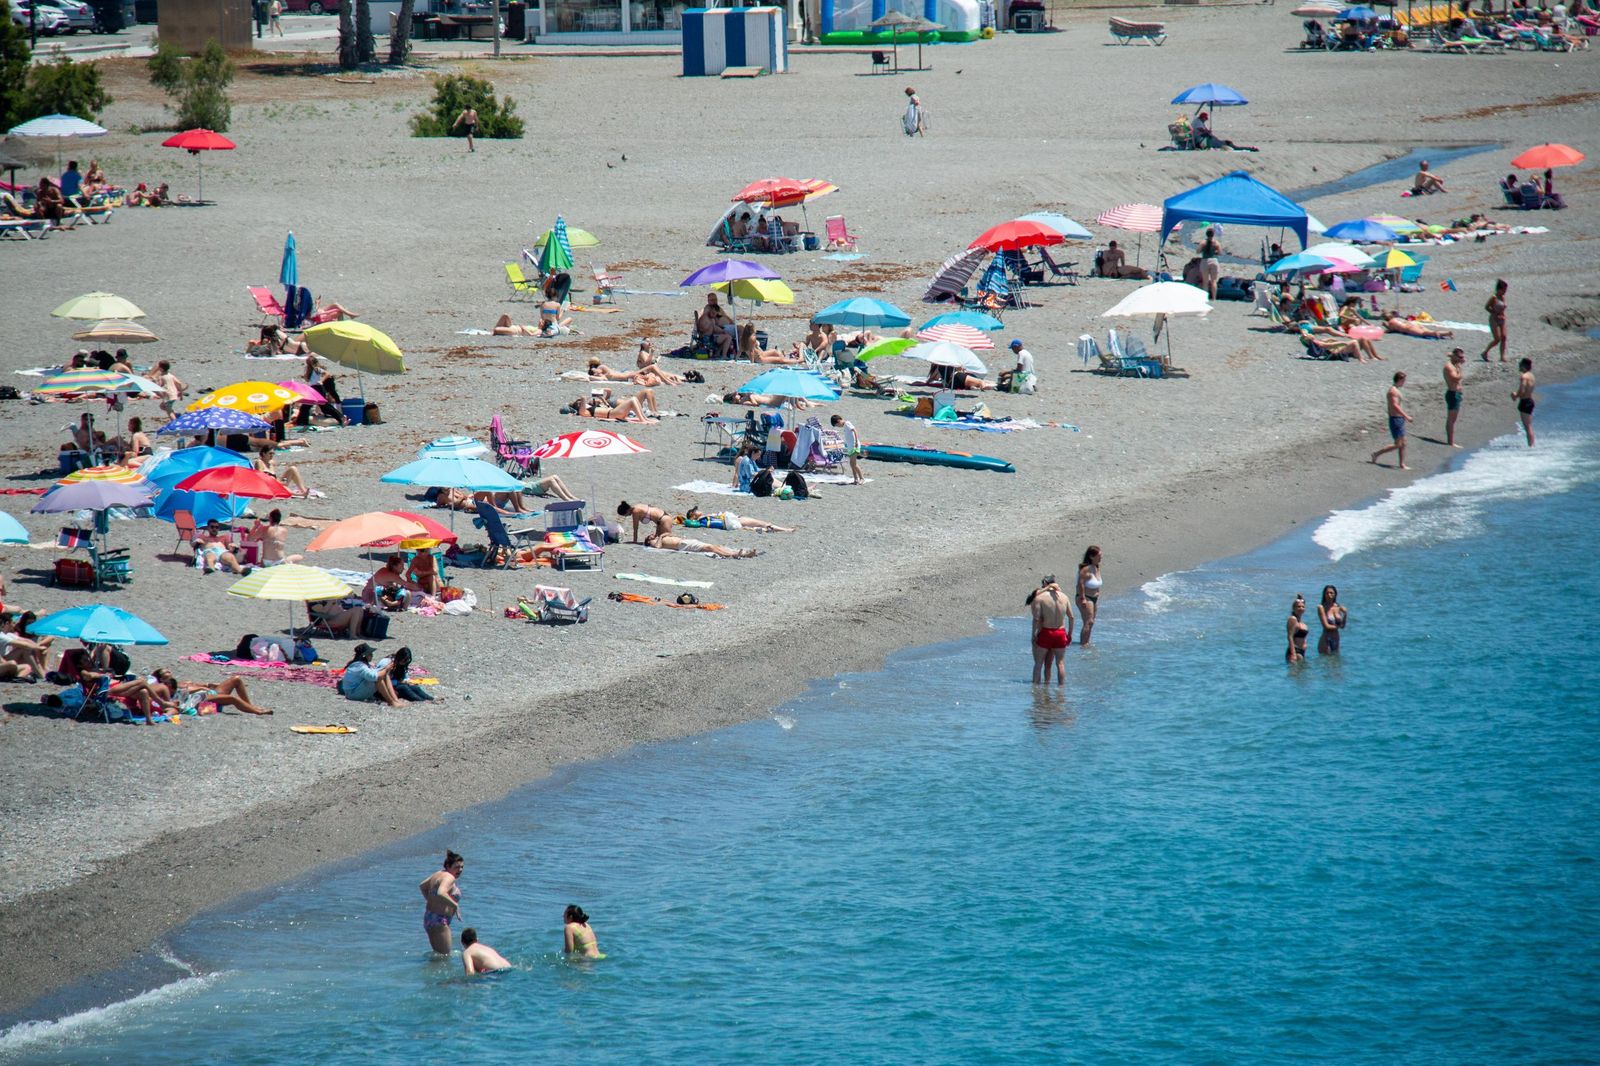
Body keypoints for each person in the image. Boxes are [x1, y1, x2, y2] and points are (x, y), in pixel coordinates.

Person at [150, 669, 272, 715]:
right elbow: (183, 695)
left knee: (236, 680)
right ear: (161, 679)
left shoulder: (176, 683)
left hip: (210, 694)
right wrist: (200, 688)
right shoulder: (163, 688)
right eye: (166, 674)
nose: (170, 675)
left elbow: (192, 685)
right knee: (232, 699)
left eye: (169, 673)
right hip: (200, 703)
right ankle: (257, 712)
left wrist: (208, 685)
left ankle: (250, 706)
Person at [1029, 575, 1072, 685]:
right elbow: (1071, 617)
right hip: (1060, 632)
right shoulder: (1064, 597)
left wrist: (1033, 634)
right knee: (1060, 663)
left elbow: (1036, 618)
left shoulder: (1040, 597)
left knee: (1038, 663)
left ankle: (1036, 691)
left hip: (1046, 632)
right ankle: (1060, 691)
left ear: (1044, 583)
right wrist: (1070, 634)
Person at [419, 851, 465, 953]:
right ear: (448, 866)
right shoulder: (449, 877)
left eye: (462, 867)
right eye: (457, 867)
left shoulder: (438, 874)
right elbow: (441, 892)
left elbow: (422, 886)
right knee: (445, 957)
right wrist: (455, 905)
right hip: (440, 921)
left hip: (429, 918)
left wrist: (431, 900)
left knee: (438, 956)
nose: (460, 870)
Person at [1370, 372, 1412, 470]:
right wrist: (1406, 416)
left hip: (1399, 419)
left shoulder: (1396, 390)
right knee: (1398, 444)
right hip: (1395, 419)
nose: (1404, 382)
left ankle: (1402, 464)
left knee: (1403, 442)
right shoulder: (1393, 391)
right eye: (1404, 380)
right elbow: (1395, 406)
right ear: (1399, 380)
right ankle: (1376, 454)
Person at [680, 506, 794, 533]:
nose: (699, 510)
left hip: (732, 522)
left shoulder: (703, 520)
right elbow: (688, 522)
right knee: (762, 523)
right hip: (733, 520)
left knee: (757, 527)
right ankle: (785, 530)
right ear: (693, 515)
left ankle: (781, 529)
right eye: (696, 511)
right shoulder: (702, 520)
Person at [642, 531, 758, 558]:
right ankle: (733, 555)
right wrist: (661, 536)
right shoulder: (653, 541)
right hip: (682, 545)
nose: (652, 534)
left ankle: (736, 553)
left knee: (714, 546)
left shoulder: (658, 538)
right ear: (648, 540)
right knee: (710, 548)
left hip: (685, 542)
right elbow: (657, 547)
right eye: (650, 535)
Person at [1075, 546, 1103, 647]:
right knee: (1089, 621)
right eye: (1099, 556)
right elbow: (1080, 584)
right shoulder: (1085, 569)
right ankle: (1083, 644)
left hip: (1094, 598)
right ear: (1091, 556)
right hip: (1085, 597)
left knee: (1091, 622)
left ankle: (1086, 642)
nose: (1101, 558)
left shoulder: (1096, 568)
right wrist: (1083, 598)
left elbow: (1097, 584)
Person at [1479, 279, 1509, 362]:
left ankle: (1502, 356)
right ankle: (1485, 352)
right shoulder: (1494, 297)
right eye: (1504, 290)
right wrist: (1494, 313)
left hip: (1502, 318)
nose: (1505, 292)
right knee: (1497, 339)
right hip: (1494, 319)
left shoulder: (1502, 297)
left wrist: (1502, 314)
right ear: (1499, 289)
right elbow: (1487, 307)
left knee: (1504, 337)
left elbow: (1503, 307)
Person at [829, 414, 863, 485]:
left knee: (854, 464)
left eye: (837, 425)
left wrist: (856, 441)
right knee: (851, 464)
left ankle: (861, 478)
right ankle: (855, 479)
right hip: (850, 447)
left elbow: (855, 431)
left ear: (838, 421)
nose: (838, 426)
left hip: (855, 446)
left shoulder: (847, 423)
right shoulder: (845, 426)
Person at [1443, 348, 1466, 447]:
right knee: (1451, 419)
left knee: (1453, 419)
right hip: (1452, 394)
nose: (1462, 359)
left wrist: (1458, 363)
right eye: (1460, 357)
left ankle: (1450, 440)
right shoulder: (1449, 367)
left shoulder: (1455, 364)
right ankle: (1450, 442)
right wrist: (1461, 370)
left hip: (1456, 393)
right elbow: (1455, 378)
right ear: (1455, 356)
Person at [1316, 585, 1347, 655]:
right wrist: (1338, 627)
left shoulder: (1338, 607)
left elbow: (1343, 626)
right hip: (1326, 639)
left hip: (1336, 639)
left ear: (1335, 594)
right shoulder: (1321, 607)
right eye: (1327, 593)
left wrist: (1345, 614)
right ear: (1324, 594)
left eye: (1331, 593)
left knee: (1336, 663)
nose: (1329, 595)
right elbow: (1326, 626)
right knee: (1327, 663)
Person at [1513, 357, 1536, 447]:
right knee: (1528, 425)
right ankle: (1531, 444)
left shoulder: (1524, 377)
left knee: (1527, 426)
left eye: (1520, 364)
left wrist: (1515, 395)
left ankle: (1531, 446)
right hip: (1530, 400)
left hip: (1525, 402)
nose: (1519, 366)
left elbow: (1522, 391)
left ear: (1523, 366)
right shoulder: (1531, 375)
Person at [1381, 311, 1453, 339]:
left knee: (1423, 333)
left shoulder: (1391, 322)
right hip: (1414, 324)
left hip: (1409, 328)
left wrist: (1385, 326)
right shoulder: (1397, 318)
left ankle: (1435, 333)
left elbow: (1391, 330)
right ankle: (1447, 333)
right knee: (1428, 331)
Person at [1198, 227, 1222, 301]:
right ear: (1213, 234)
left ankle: (1205, 298)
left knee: (1205, 281)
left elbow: (1198, 251)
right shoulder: (1217, 243)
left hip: (1205, 261)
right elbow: (1220, 253)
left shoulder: (1203, 242)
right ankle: (1214, 298)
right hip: (1214, 261)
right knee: (1214, 281)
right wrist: (1215, 252)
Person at [1286, 595, 1310, 662]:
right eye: (1298, 607)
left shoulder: (1301, 622)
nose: (1301, 608)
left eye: (1303, 607)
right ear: (1294, 608)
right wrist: (1293, 654)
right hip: (1295, 652)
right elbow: (1289, 637)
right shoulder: (1293, 619)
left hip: (1302, 651)